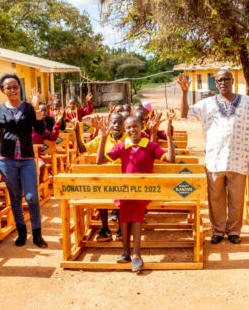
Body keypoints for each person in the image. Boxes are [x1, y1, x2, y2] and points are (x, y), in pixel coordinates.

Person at [179, 69, 249, 244]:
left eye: (226, 79)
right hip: (214, 160)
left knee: (236, 199)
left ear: (232, 81)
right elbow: (185, 114)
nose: (223, 83)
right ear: (216, 83)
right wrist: (184, 93)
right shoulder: (206, 104)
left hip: (238, 159)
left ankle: (233, 231)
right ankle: (218, 231)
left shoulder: (248, 102)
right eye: (220, 80)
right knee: (216, 199)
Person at [96, 113, 176, 272]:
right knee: (125, 209)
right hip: (126, 190)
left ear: (141, 127)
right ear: (125, 130)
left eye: (135, 126)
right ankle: (126, 252)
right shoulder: (121, 146)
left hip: (144, 190)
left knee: (136, 208)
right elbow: (100, 161)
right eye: (129, 127)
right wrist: (103, 137)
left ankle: (136, 254)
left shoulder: (150, 146)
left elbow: (171, 159)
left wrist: (168, 136)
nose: (132, 130)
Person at [0, 73, 48, 248]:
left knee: (32, 197)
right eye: (8, 87)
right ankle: (21, 232)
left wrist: (37, 107)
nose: (13, 90)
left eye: (15, 86)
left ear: (19, 88)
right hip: (7, 160)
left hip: (27, 160)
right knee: (15, 197)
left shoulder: (28, 108)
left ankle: (37, 234)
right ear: (3, 90)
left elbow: (40, 130)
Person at [74, 113, 128, 242]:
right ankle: (105, 229)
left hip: (123, 180)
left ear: (124, 126)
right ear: (109, 124)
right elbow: (82, 149)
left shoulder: (128, 139)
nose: (116, 125)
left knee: (124, 198)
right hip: (106, 180)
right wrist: (77, 131)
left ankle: (122, 228)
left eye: (120, 123)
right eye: (114, 122)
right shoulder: (101, 138)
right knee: (100, 191)